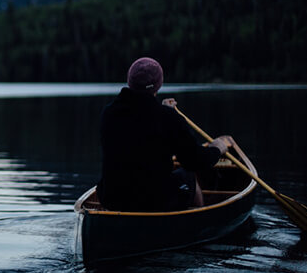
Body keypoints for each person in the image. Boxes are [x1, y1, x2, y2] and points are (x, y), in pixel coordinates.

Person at [96, 57, 233, 212]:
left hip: (112, 198)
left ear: (129, 82)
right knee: (189, 177)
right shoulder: (167, 118)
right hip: (152, 201)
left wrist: (166, 113)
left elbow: (140, 123)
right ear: (158, 85)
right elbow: (193, 161)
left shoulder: (109, 113)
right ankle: (196, 225)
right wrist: (217, 149)